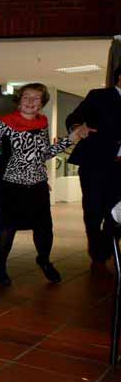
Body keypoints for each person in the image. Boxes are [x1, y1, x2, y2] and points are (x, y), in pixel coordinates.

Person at [0, 83, 92, 285]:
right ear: (18, 101)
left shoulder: (42, 123)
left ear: (42, 103)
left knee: (44, 227)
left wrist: (71, 138)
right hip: (5, 182)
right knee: (7, 227)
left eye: (36, 98)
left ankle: (44, 260)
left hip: (36, 182)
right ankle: (0, 267)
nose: (30, 101)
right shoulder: (5, 123)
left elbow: (43, 154)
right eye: (26, 97)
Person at [64, 66, 121, 268]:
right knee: (94, 210)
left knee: (116, 211)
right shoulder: (99, 96)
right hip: (96, 165)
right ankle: (98, 253)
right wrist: (77, 128)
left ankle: (107, 246)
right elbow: (73, 118)